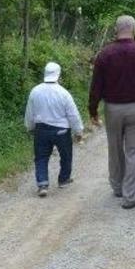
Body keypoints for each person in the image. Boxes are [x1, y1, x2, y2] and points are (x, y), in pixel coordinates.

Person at [88, 15, 135, 209]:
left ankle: (117, 186)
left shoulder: (104, 54)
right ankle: (130, 195)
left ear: (116, 30)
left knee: (115, 148)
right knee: (134, 150)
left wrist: (93, 109)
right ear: (134, 30)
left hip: (112, 108)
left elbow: (96, 86)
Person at [24, 62, 84, 198]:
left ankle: (42, 184)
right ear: (58, 75)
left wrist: (29, 127)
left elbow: (30, 112)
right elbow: (73, 114)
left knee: (41, 157)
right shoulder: (64, 93)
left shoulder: (35, 91)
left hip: (41, 129)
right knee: (66, 155)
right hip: (61, 130)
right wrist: (78, 131)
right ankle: (63, 180)